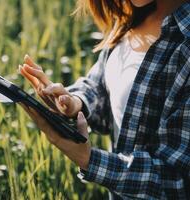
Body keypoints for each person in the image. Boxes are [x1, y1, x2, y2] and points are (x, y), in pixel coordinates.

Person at [18, 0, 190, 199]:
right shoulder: (132, 16)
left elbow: (178, 181)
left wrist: (88, 159)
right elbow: (102, 86)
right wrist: (75, 103)